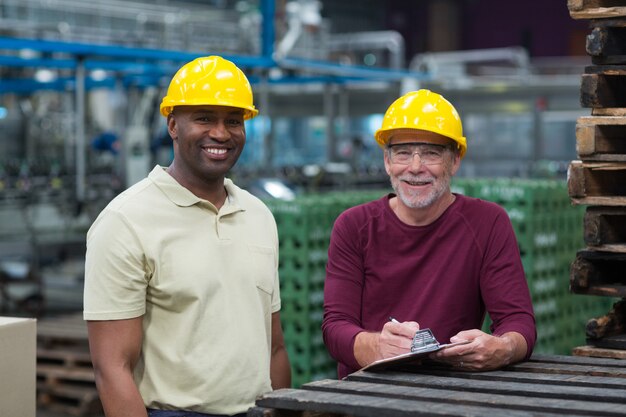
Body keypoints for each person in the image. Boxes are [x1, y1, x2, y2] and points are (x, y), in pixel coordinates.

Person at [84, 56, 291, 417]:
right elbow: (112, 369)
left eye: (234, 120)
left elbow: (274, 347)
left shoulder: (259, 216)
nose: (221, 133)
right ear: (172, 125)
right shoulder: (125, 221)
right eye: (204, 118)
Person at [322, 89, 536, 379]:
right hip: (366, 393)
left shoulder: (488, 223)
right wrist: (377, 346)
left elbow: (518, 321)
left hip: (451, 391)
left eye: (432, 154)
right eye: (403, 153)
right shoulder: (354, 226)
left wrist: (503, 347)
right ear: (387, 161)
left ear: (455, 160)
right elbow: (335, 327)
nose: (415, 167)